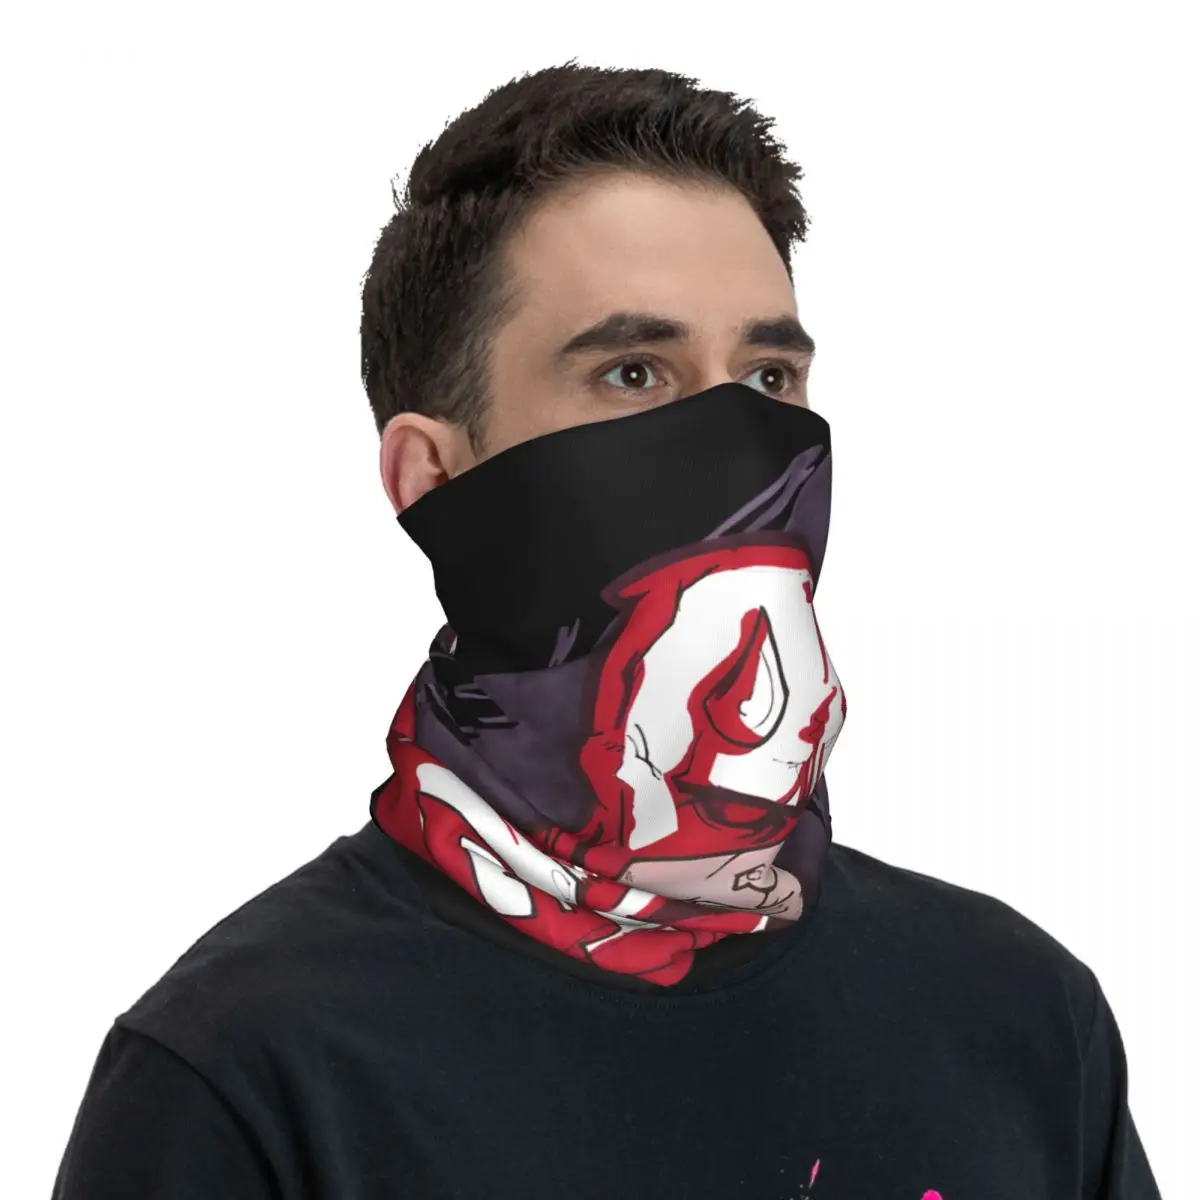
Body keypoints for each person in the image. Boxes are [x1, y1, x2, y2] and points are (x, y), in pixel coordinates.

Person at [51, 62, 1159, 1199]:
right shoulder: (246, 1071)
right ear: (434, 478)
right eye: (635, 373)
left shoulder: (1017, 1018)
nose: (736, 441)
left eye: (768, 376)